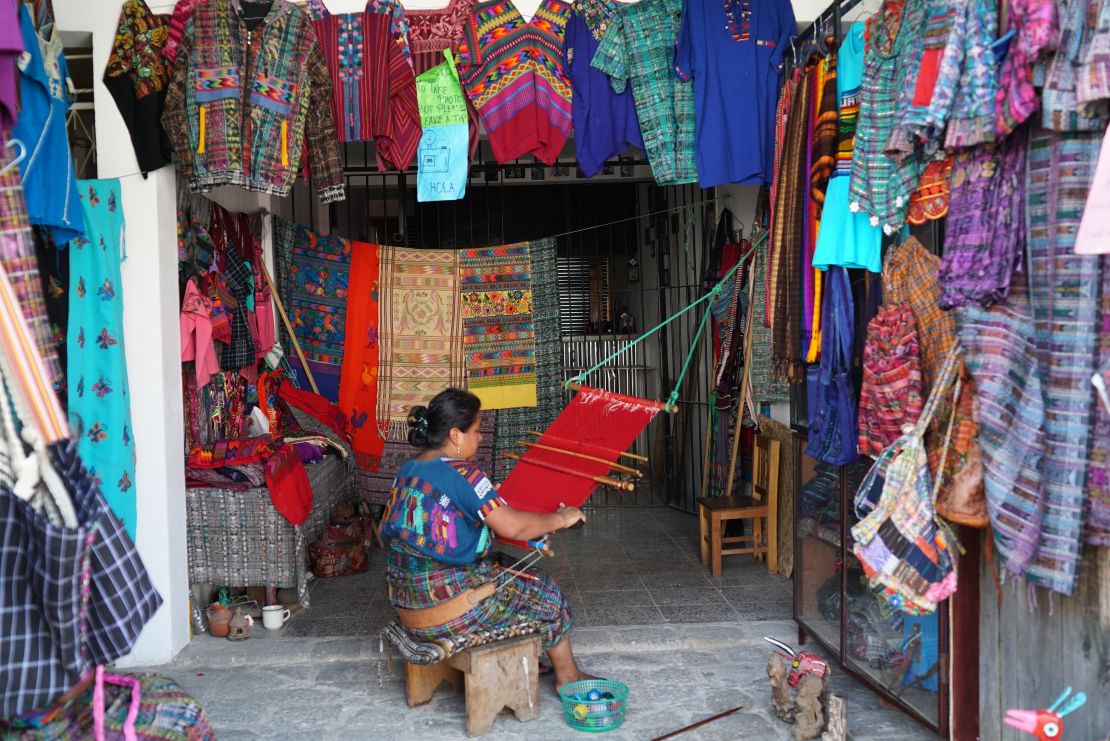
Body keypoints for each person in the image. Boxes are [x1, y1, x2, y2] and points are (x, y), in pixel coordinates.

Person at [381, 388, 594, 692]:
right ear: (456, 435)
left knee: (508, 567)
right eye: (477, 431)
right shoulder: (464, 474)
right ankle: (568, 678)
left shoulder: (408, 469)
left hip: (406, 602)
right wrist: (562, 518)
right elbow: (514, 528)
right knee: (546, 593)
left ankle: (527, 655)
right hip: (447, 610)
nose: (480, 438)